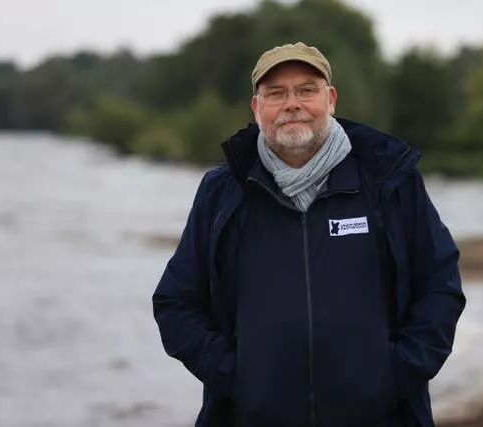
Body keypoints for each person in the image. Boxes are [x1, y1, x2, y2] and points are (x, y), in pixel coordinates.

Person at [153, 42, 466, 427]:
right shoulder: (223, 192)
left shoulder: (389, 182)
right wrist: (239, 376)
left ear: (330, 100)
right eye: (276, 93)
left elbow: (440, 285)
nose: (292, 104)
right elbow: (175, 304)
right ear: (256, 108)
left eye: (306, 90)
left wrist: (393, 374)